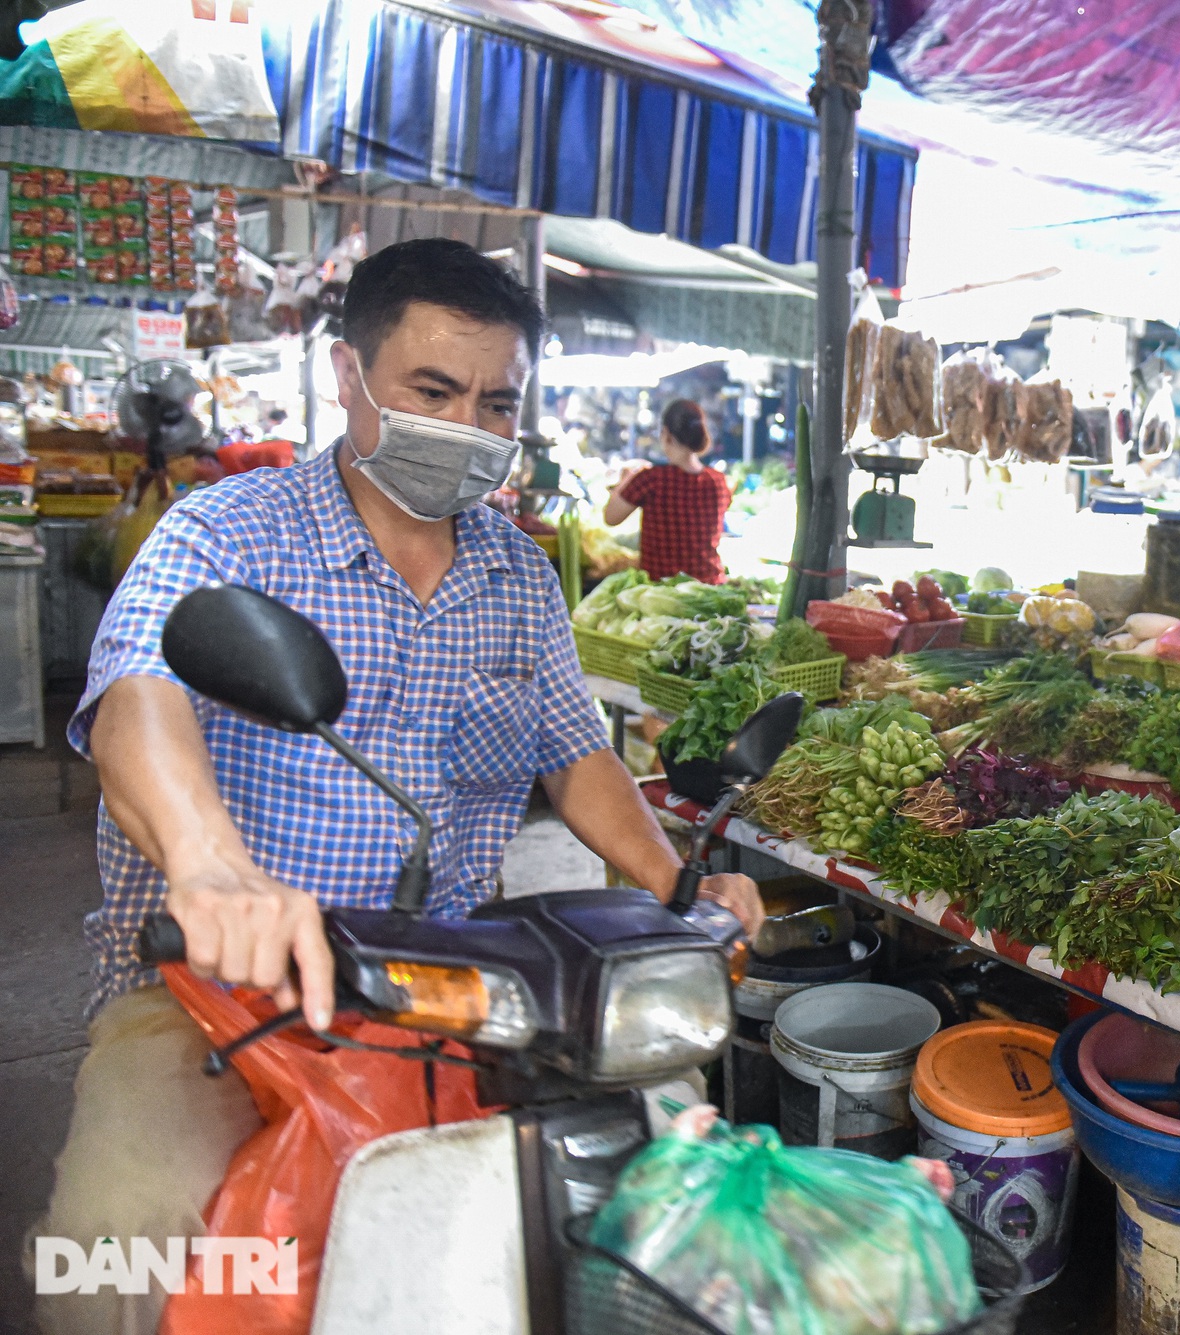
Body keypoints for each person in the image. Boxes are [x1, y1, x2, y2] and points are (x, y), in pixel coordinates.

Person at [31, 238, 763, 1335]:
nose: (467, 426)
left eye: (494, 402)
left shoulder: (514, 572)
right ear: (347, 373)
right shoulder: (227, 531)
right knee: (114, 1250)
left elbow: (575, 755)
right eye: (433, 389)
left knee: (660, 1188)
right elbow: (140, 692)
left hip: (458, 990)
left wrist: (678, 888)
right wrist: (211, 868)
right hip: (218, 993)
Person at [604, 397, 732, 584]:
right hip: (708, 588)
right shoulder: (718, 481)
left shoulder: (650, 479)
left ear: (666, 434)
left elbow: (611, 517)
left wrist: (626, 479)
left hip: (662, 591)